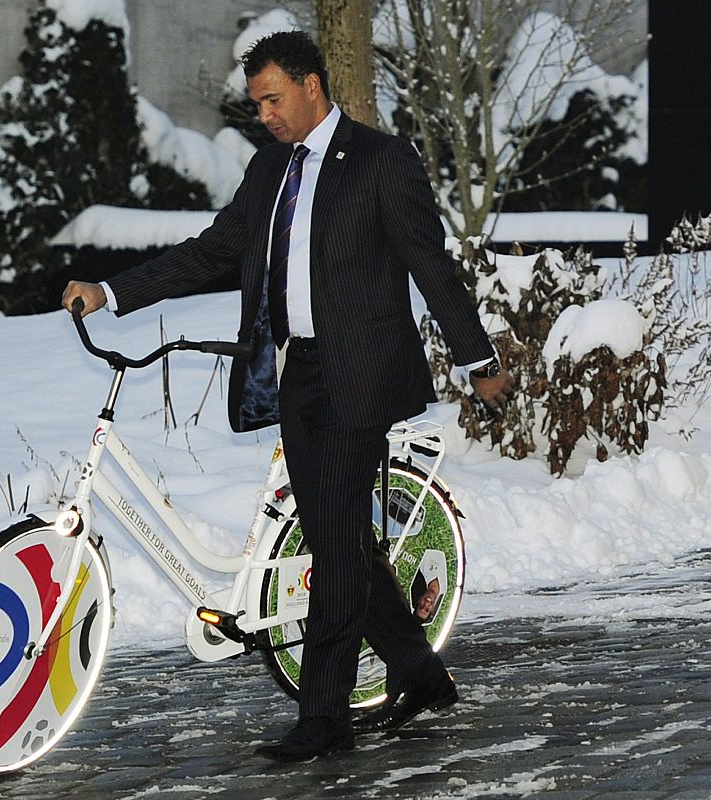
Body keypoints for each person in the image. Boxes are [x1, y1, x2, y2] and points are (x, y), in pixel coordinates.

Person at [62, 30, 514, 762]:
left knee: (333, 549)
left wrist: (478, 359)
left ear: (311, 85)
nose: (264, 115)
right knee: (341, 539)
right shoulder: (271, 167)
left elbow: (430, 266)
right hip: (297, 374)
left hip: (360, 377)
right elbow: (213, 250)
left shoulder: (380, 160)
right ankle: (421, 673)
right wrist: (112, 291)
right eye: (257, 104)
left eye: (273, 99)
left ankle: (324, 716)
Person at [411, 549, 448, 624]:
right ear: (433, 609)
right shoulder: (447, 588)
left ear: (419, 600)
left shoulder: (423, 568)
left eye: (421, 606)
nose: (426, 604)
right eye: (427, 610)